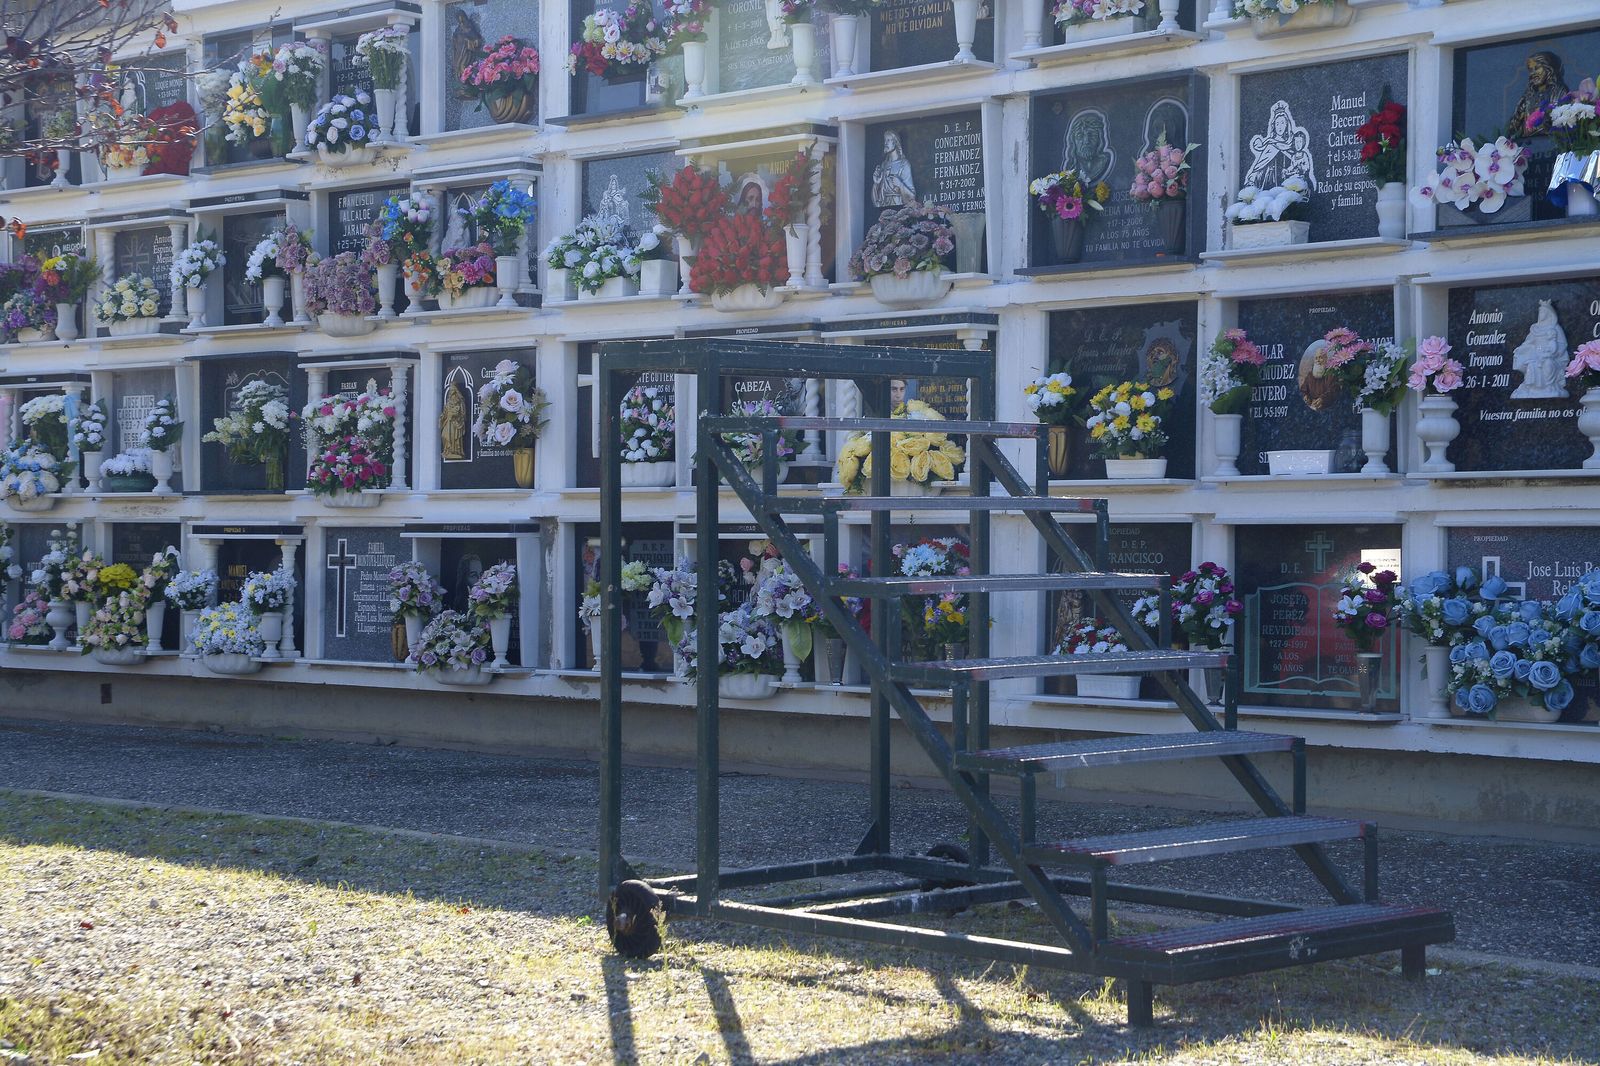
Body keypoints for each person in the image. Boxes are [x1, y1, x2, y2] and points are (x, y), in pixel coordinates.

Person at [1243, 100, 1317, 192]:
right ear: (1274, 126)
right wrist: (1251, 180)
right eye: (1277, 124)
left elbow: (1299, 165)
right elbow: (1259, 167)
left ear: (1287, 125)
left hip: (1288, 183)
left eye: (1282, 123)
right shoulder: (1271, 145)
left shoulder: (1292, 145)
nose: (1280, 127)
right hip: (1270, 182)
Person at [1062, 110, 1113, 186]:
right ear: (1073, 141)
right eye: (1080, 136)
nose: (1086, 141)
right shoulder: (1071, 169)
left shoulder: (1104, 162)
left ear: (1099, 139)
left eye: (1092, 135)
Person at [872, 131, 916, 208]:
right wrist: (877, 183)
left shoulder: (904, 164)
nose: (885, 143)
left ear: (895, 142)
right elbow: (877, 199)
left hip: (899, 206)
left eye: (888, 140)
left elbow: (912, 197)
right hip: (884, 207)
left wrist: (900, 184)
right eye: (885, 140)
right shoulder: (883, 165)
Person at [440, 378, 468, 461]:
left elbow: (462, 413)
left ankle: (455, 451)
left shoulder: (459, 401)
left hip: (455, 422)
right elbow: (445, 411)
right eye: (450, 389)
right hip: (448, 421)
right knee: (444, 435)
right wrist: (442, 417)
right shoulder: (448, 401)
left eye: (452, 389)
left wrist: (455, 416)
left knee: (454, 436)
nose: (451, 390)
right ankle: (448, 450)